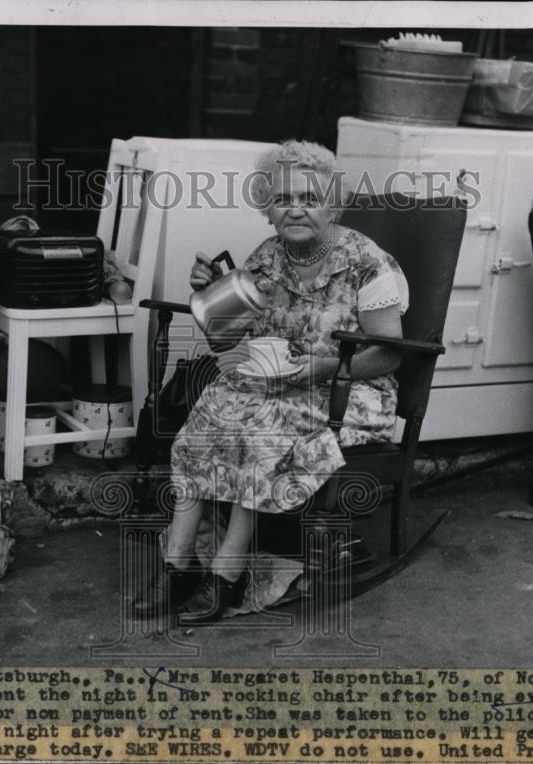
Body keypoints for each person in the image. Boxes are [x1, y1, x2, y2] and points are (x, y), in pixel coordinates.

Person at [133, 140, 409, 624]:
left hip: (349, 391)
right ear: (268, 209)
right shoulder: (267, 257)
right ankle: (177, 565)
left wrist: (326, 368)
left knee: (260, 425)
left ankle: (227, 573)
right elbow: (225, 343)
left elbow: (390, 352)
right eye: (283, 199)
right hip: (281, 385)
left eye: (309, 197)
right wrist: (209, 294)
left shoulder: (369, 261)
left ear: (332, 204)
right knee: (215, 405)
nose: (295, 209)